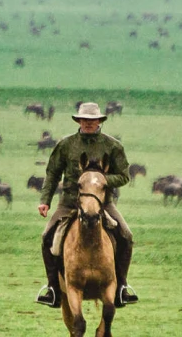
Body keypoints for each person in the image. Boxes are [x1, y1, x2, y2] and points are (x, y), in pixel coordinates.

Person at [35, 102, 138, 308]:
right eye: (84, 120)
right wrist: (45, 201)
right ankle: (53, 288)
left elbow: (124, 176)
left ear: (99, 121)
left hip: (102, 203)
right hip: (69, 203)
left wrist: (102, 181)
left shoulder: (113, 146)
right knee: (47, 237)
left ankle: (122, 287)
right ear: (78, 120)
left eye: (92, 120)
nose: (88, 123)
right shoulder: (66, 144)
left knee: (126, 236)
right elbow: (53, 173)